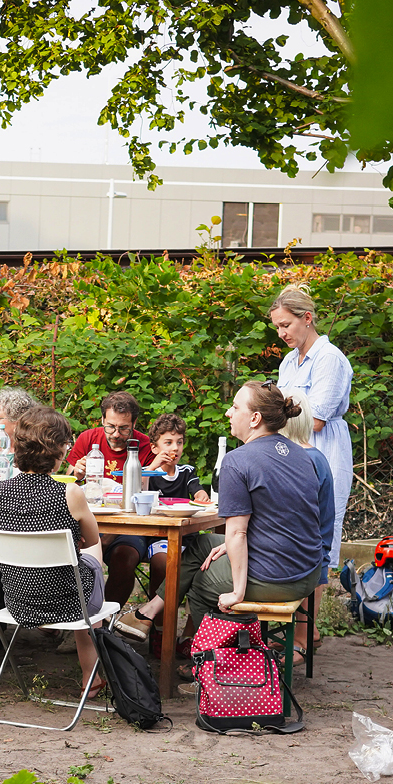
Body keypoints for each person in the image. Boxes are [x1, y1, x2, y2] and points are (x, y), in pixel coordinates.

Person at [125, 382, 323, 693]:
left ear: (255, 418)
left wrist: (238, 592)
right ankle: (150, 612)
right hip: (308, 571)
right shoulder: (302, 454)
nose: (229, 412)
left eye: (235, 407)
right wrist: (229, 550)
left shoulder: (238, 460)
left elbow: (237, 532)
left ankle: (221, 671)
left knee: (200, 581)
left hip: (277, 577)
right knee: (202, 545)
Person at [0, 406, 108, 696]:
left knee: (76, 573)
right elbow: (92, 540)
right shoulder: (71, 493)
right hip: (69, 603)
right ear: (59, 451)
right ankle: (91, 679)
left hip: (17, 603)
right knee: (93, 558)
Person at [271, 285, 353, 572]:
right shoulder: (288, 362)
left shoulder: (329, 358)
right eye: (277, 327)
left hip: (323, 447)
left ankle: (313, 610)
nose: (281, 333)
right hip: (291, 448)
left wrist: (274, 417)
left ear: (307, 318)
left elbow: (316, 420)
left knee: (319, 526)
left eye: (285, 325)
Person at [113, 412, 209, 650]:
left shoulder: (186, 471)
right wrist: (152, 467)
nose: (174, 448)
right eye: (168, 442)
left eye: (179, 442)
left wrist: (200, 495)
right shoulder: (148, 472)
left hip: (186, 536)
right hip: (159, 535)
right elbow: (136, 491)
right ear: (154, 448)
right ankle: (158, 629)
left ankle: (170, 630)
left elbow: (197, 491)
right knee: (162, 562)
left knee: (187, 565)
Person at [64, 391, 154, 611]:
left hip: (128, 525)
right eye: (110, 426)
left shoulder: (144, 445)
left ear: (134, 423)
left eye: (124, 428)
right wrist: (77, 472)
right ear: (102, 420)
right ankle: (75, 618)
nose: (116, 434)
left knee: (125, 557)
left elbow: (146, 495)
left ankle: (104, 623)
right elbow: (67, 485)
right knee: (71, 553)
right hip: (86, 520)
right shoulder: (88, 439)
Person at [283, 391, 335, 657]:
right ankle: (305, 634)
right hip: (316, 547)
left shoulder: (300, 459)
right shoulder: (316, 455)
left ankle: (300, 641)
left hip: (307, 554)